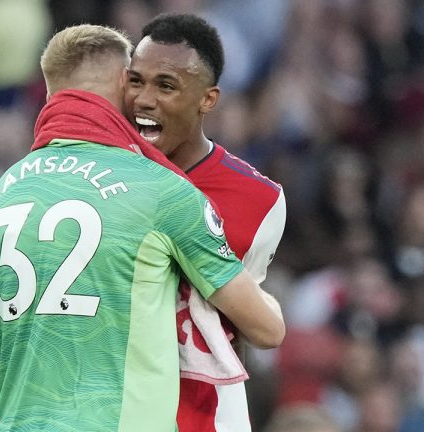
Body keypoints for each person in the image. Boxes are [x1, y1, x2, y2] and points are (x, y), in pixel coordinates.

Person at [0, 24, 285, 431]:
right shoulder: (161, 190)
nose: (144, 99)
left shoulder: (4, 190)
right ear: (122, 83)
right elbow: (266, 328)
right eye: (136, 81)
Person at [125, 14, 287, 432]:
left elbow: (240, 325)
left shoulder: (260, 200)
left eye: (165, 85)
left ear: (208, 99)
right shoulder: (104, 176)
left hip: (200, 414)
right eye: (135, 81)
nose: (144, 99)